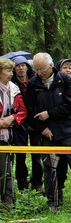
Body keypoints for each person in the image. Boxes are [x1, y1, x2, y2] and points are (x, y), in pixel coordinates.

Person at [24, 53, 71, 209]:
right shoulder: (33, 84)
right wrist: (42, 128)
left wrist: (49, 114)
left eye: (42, 69)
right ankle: (53, 200)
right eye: (36, 69)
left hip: (69, 131)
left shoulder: (65, 79)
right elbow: (30, 111)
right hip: (48, 133)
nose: (39, 72)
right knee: (50, 169)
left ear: (51, 65)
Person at [10, 55, 42, 192]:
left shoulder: (35, 81)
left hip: (34, 121)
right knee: (20, 154)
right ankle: (22, 183)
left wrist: (33, 122)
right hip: (19, 124)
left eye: (23, 65)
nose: (21, 68)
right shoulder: (11, 84)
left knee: (37, 154)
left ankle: (37, 182)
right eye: (18, 66)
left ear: (27, 67)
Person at [0, 58, 28, 206]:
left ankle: (8, 201)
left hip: (8, 136)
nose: (11, 74)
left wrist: (11, 118)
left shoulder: (13, 89)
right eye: (8, 71)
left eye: (12, 71)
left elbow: (23, 111)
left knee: (7, 169)